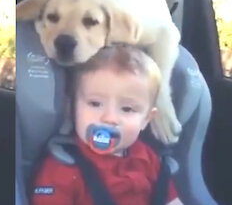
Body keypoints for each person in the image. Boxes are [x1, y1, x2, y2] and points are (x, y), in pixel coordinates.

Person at [31, 45, 183, 205]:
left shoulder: (149, 159)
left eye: (127, 109)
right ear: (72, 108)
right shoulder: (63, 166)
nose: (109, 118)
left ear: (146, 119)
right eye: (95, 103)